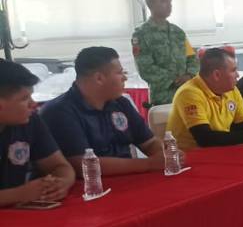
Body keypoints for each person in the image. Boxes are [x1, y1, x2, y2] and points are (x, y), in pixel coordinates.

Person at [40, 46, 169, 176]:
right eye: (120, 73)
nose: (124, 78)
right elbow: (82, 165)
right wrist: (149, 164)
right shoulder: (59, 112)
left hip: (130, 179)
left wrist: (164, 155)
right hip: (90, 185)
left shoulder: (121, 103)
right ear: (99, 78)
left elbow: (149, 142)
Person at [0, 61, 74, 207]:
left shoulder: (30, 120)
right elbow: (20, 194)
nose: (33, 104)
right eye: (24, 98)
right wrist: (17, 194)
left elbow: (59, 166)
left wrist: (61, 184)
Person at [167, 48, 243, 151]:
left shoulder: (231, 90)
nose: (237, 75)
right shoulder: (189, 93)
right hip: (188, 156)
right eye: (233, 70)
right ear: (217, 75)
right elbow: (204, 138)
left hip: (218, 151)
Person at [132, 0, 199, 106]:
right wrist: (175, 80)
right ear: (151, 4)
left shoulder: (178, 32)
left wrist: (189, 75)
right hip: (163, 98)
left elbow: (192, 57)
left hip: (186, 94)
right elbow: (145, 67)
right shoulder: (141, 34)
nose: (169, 5)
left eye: (170, 1)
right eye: (164, 1)